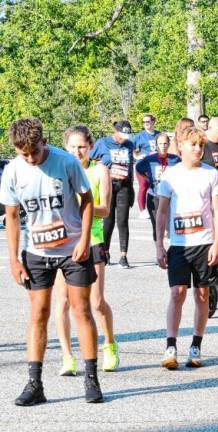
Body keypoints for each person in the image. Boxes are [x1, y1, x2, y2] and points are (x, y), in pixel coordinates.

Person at [1, 118, 103, 405]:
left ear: (44, 142)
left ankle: (91, 379)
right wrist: (14, 259)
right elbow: (11, 216)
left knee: (81, 309)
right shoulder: (12, 171)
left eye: (35, 151)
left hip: (73, 249)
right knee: (38, 314)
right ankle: (35, 384)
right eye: (24, 154)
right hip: (37, 251)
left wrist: (84, 240)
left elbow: (87, 201)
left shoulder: (65, 162)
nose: (31, 158)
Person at [155, 126, 218, 370]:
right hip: (179, 245)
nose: (197, 149)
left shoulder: (211, 174)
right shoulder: (170, 175)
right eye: (192, 145)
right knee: (177, 293)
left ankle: (196, 345)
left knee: (202, 294)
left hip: (204, 243)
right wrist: (159, 246)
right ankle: (170, 346)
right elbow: (162, 211)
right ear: (181, 146)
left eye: (201, 145)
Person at [55, 126, 118, 376]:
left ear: (90, 147)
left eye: (81, 146)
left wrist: (83, 204)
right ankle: (67, 356)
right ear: (65, 147)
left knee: (96, 301)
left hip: (92, 240)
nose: (77, 151)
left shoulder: (99, 170)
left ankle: (110, 344)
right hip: (63, 243)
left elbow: (104, 209)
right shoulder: (59, 171)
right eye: (72, 147)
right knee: (62, 301)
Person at [90, 120, 135, 268]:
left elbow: (130, 167)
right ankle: (106, 252)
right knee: (108, 221)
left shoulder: (129, 144)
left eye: (126, 135)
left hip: (124, 186)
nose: (123, 138)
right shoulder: (103, 143)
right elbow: (91, 160)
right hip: (108, 185)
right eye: (121, 134)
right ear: (115, 131)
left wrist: (132, 188)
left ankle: (124, 256)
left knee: (123, 221)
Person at [135, 133, 181, 241]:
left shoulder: (175, 159)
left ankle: (171, 251)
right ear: (156, 145)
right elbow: (138, 168)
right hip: (154, 195)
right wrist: (148, 179)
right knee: (157, 227)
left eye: (165, 143)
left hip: (170, 197)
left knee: (171, 226)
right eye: (160, 143)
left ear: (169, 144)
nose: (163, 146)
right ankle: (158, 251)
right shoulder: (149, 159)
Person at [133, 114, 160, 220]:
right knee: (143, 185)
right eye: (144, 122)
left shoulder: (159, 134)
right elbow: (133, 150)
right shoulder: (139, 136)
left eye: (147, 121)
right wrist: (138, 156)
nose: (145, 124)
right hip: (143, 164)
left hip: (156, 165)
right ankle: (142, 210)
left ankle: (157, 208)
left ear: (153, 122)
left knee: (155, 186)